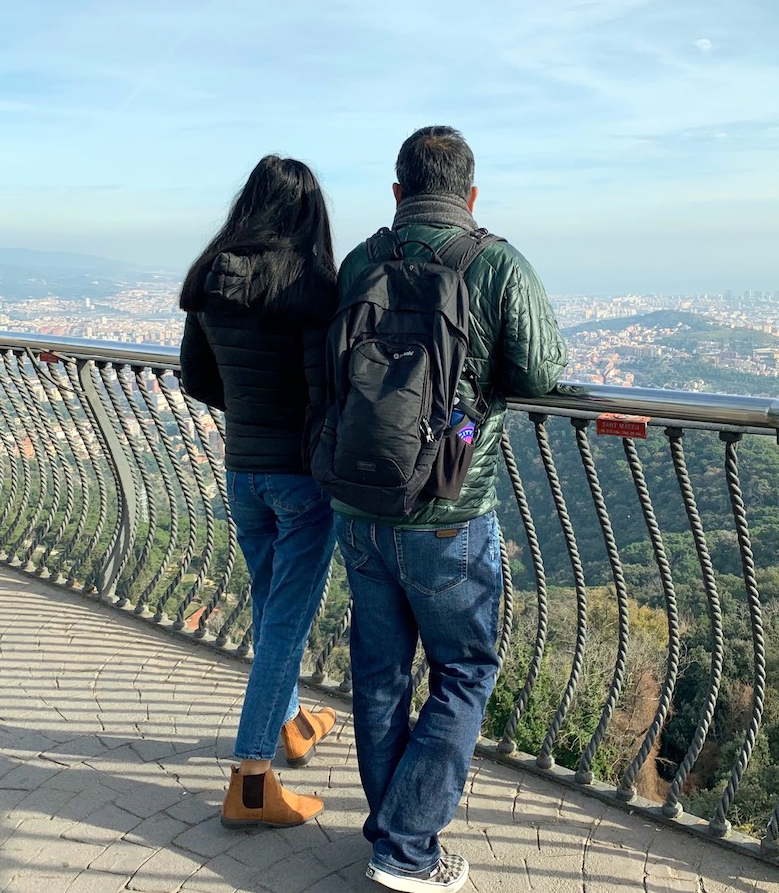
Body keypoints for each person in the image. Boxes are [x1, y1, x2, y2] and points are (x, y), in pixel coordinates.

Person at [331, 126, 568, 892]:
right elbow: (542, 369)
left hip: (361, 505)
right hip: (450, 510)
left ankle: (390, 829)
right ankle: (406, 847)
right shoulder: (495, 262)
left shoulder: (361, 260)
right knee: (465, 669)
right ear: (471, 194)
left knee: (378, 674)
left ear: (397, 192)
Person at [179, 155, 339, 829]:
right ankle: (250, 778)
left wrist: (247, 404)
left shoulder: (212, 277)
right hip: (301, 476)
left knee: (273, 603)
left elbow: (197, 377)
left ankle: (293, 723)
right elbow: (328, 388)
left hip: (242, 469)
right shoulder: (312, 285)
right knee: (285, 622)